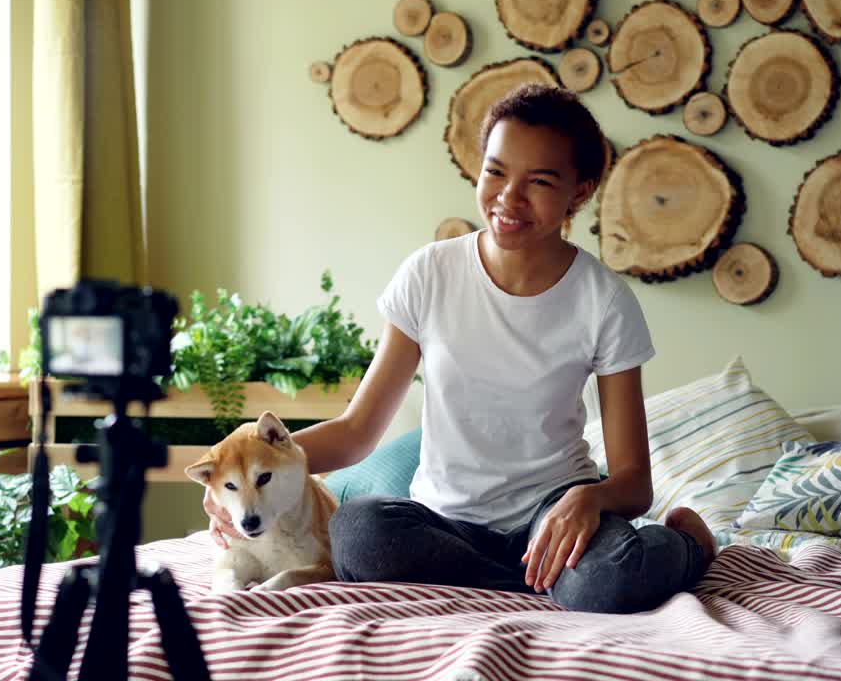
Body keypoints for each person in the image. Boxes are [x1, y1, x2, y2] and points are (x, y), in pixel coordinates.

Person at [204, 84, 715, 613]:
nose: (508, 198)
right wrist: (238, 473)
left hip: (550, 517)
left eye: (538, 182)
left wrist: (590, 497)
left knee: (604, 581)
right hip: (443, 524)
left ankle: (689, 544)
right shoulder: (430, 273)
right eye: (495, 171)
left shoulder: (603, 300)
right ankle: (538, 585)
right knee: (357, 532)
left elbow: (635, 484)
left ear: (580, 193)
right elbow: (358, 434)